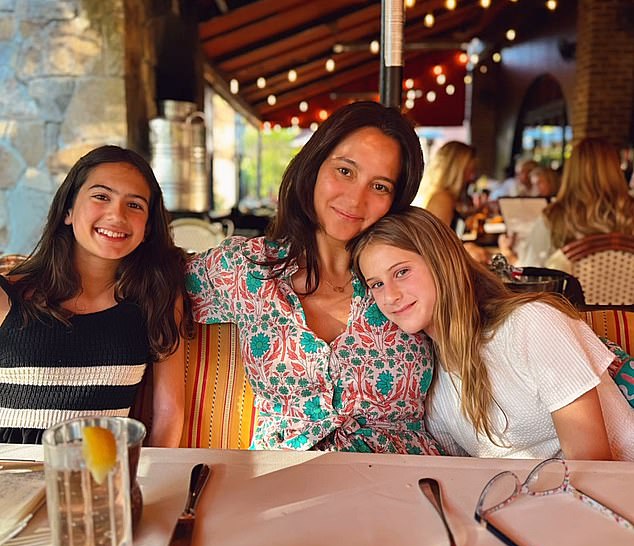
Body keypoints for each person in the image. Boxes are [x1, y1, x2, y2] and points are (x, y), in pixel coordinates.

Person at [185, 101, 441, 454]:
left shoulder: (413, 272)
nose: (355, 198)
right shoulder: (246, 268)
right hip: (286, 483)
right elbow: (150, 278)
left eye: (380, 186)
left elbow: (486, 312)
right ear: (314, 166)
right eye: (345, 171)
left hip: (405, 483)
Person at [350, 206, 634, 460]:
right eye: (376, 284)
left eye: (401, 272)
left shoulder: (530, 323)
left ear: (441, 262)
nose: (390, 296)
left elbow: (591, 464)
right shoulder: (431, 378)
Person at [0, 145, 190, 446]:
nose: (117, 215)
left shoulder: (157, 297)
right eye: (101, 196)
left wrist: (144, 484)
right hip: (11, 478)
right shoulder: (7, 295)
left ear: (148, 228)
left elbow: (169, 413)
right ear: (68, 210)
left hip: (102, 478)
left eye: (135, 205)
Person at [501, 137, 634, 268]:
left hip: (569, 290)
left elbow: (529, 274)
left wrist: (508, 255)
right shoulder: (629, 212)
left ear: (570, 172)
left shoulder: (552, 218)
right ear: (616, 170)